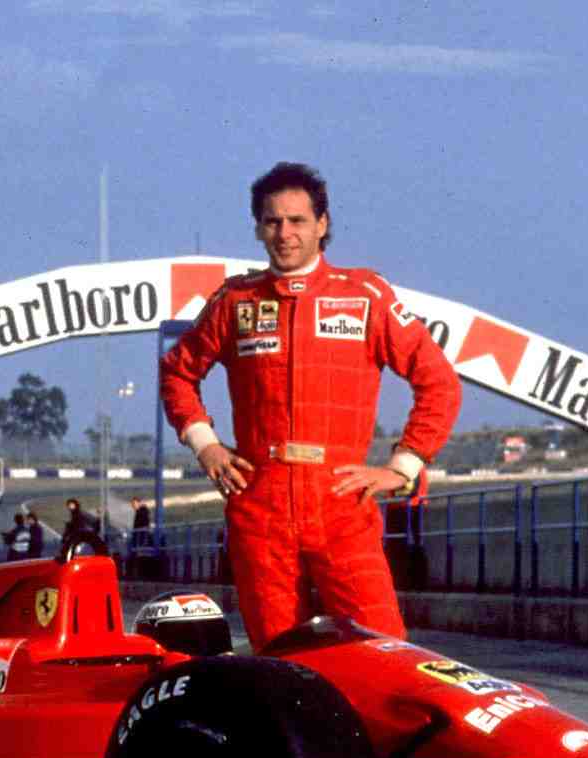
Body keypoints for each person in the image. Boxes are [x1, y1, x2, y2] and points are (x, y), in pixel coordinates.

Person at [159, 162, 460, 650]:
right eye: (273, 221)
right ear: (258, 227)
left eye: (298, 220)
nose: (285, 233)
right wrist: (206, 446)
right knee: (280, 659)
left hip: (342, 501)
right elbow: (177, 372)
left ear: (322, 224)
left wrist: (402, 467)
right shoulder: (235, 301)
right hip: (261, 504)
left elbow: (439, 382)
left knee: (384, 652)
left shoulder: (364, 295)